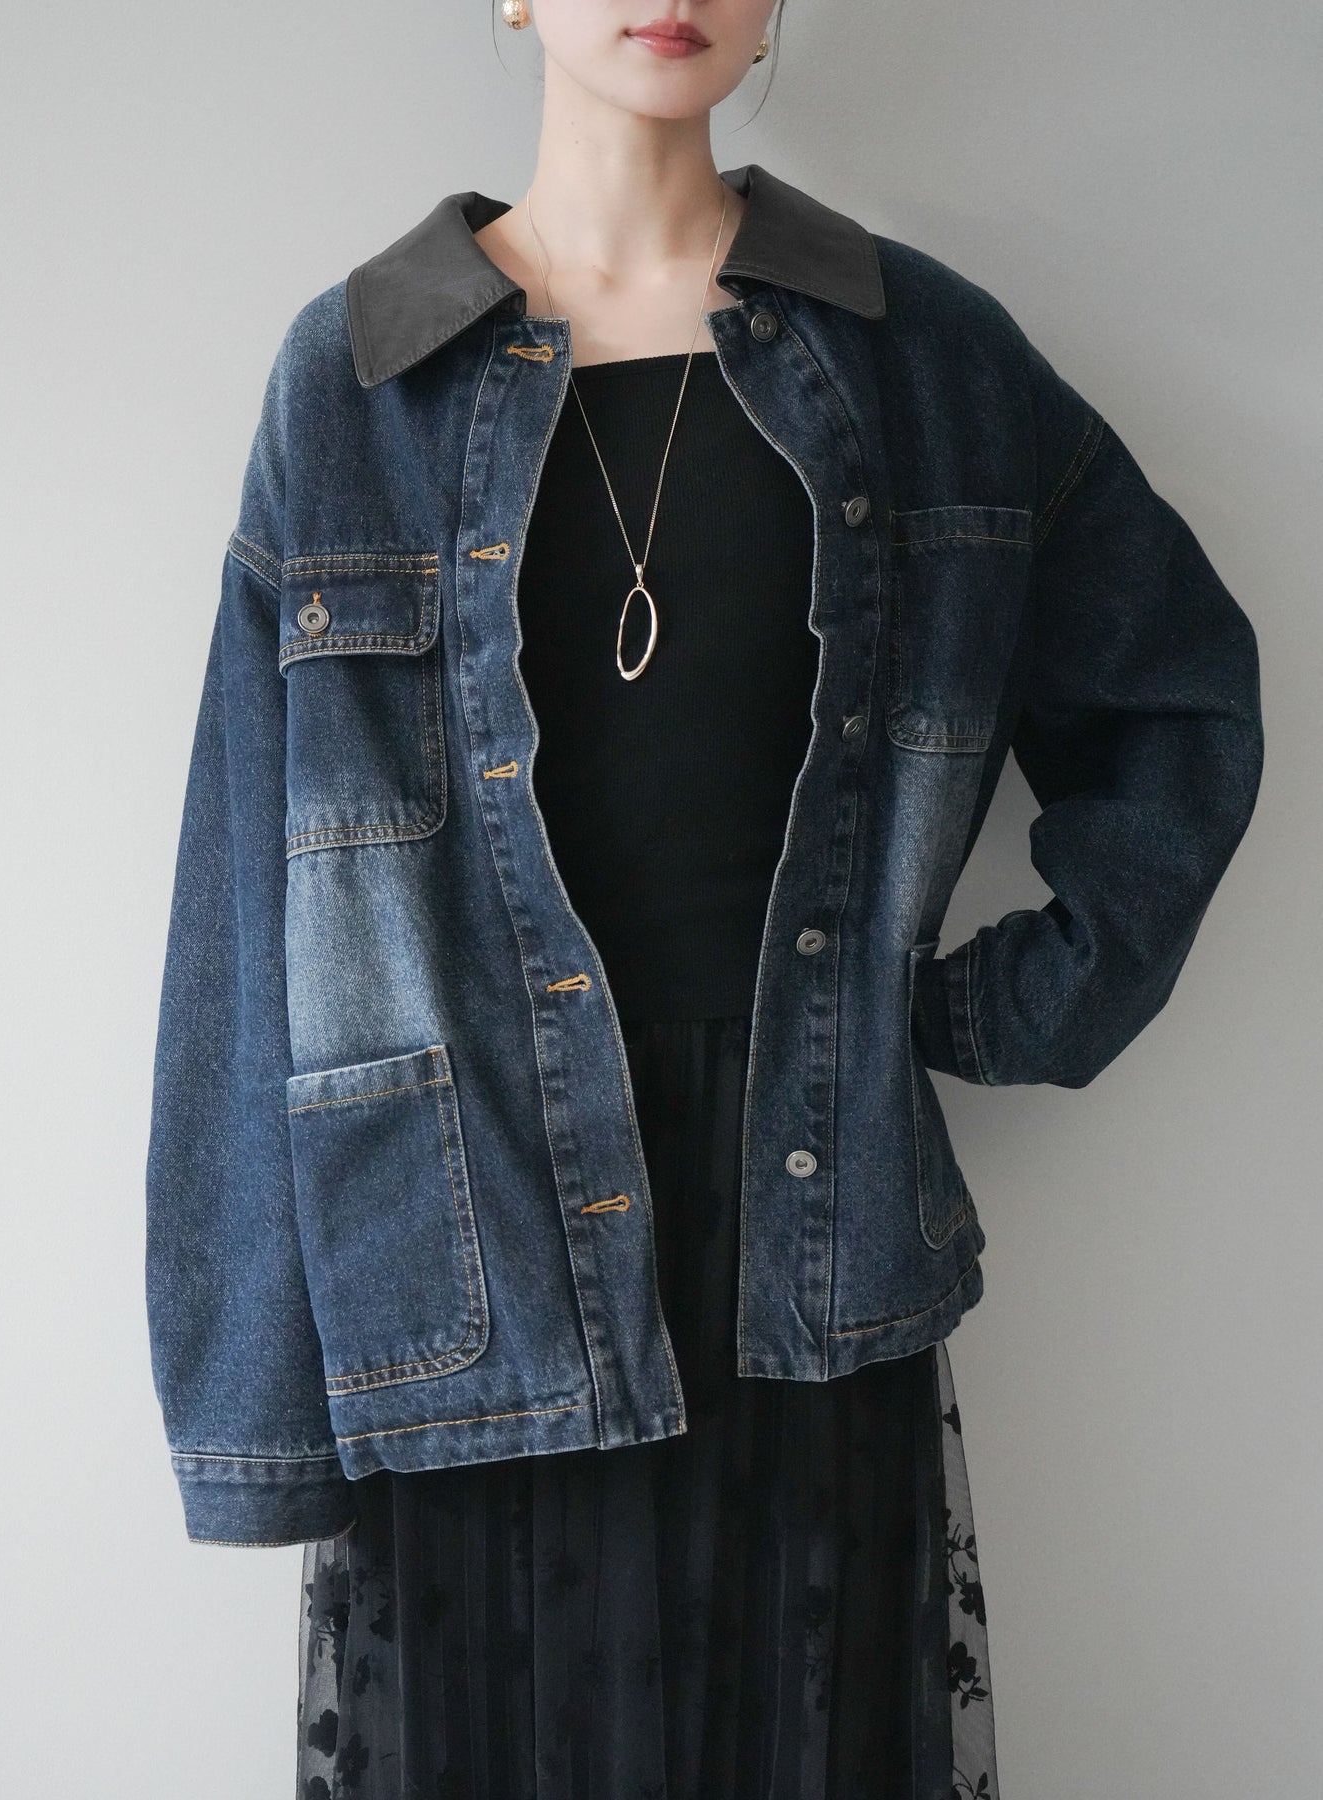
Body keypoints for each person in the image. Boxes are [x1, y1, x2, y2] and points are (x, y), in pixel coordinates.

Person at [144, 4, 1264, 1796]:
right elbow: (246, 900)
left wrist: (1010, 1006)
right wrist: (253, 1410)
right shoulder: (358, 379)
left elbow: (1175, 698)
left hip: (802, 1234)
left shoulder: (924, 357)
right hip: (468, 1249)